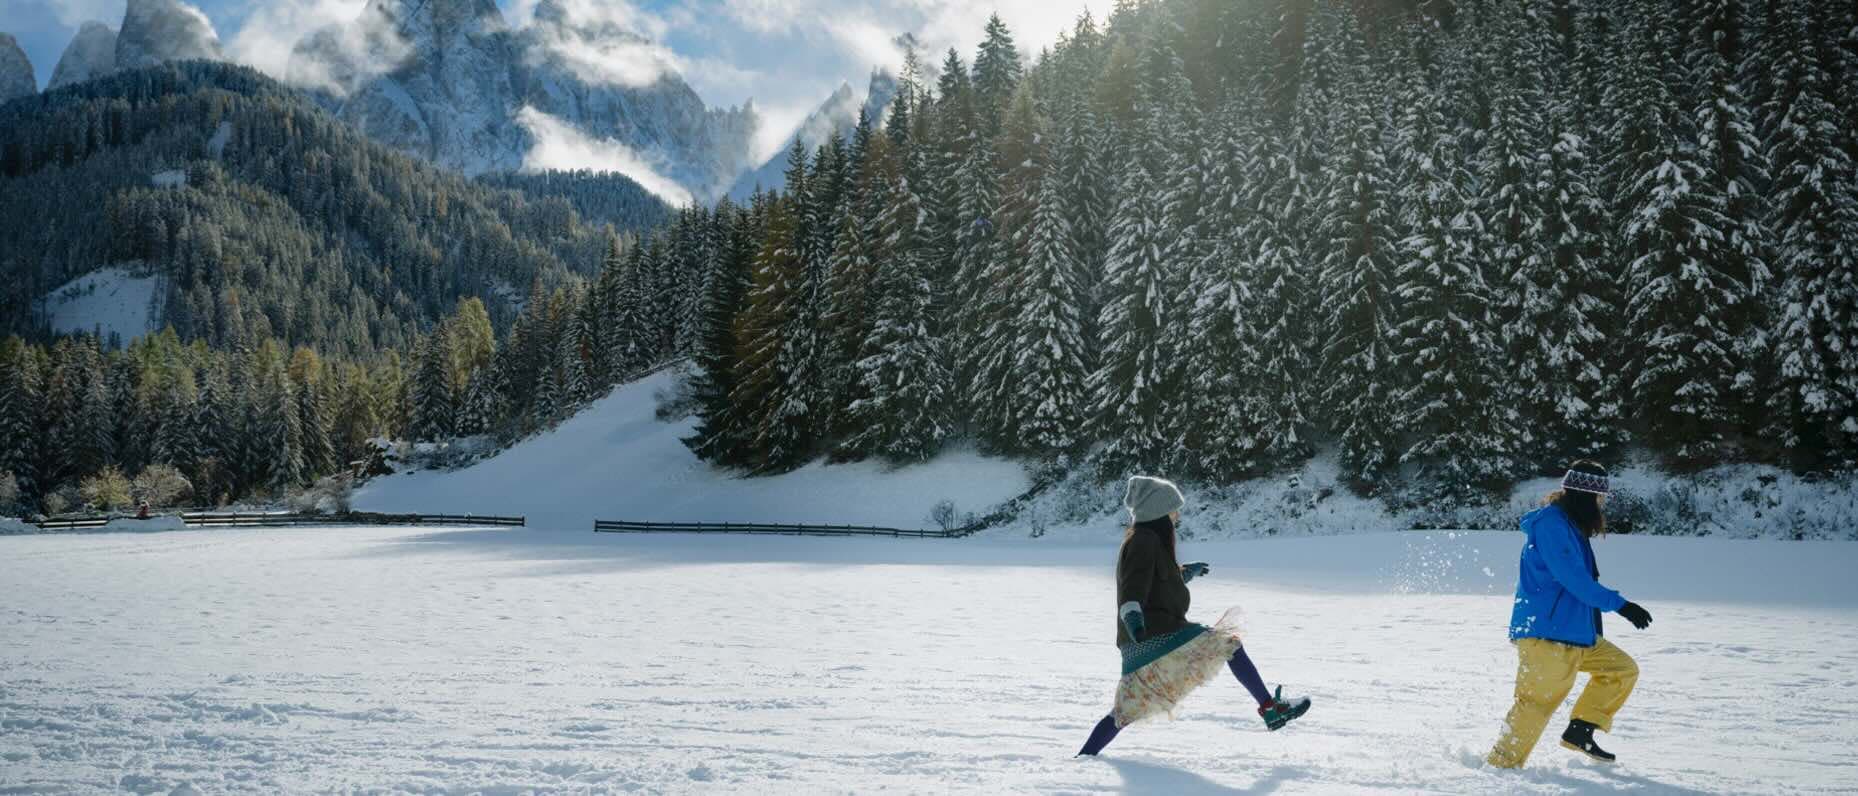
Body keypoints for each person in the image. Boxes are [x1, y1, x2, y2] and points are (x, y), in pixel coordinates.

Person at [1077, 476, 1311, 756]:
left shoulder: (1149, 541)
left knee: (1122, 713)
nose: (1177, 516)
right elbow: (1133, 588)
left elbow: (1159, 582)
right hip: (1155, 637)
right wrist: (1134, 621)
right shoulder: (1143, 541)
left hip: (1145, 644)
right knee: (1229, 645)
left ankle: (1083, 759)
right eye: (1173, 510)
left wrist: (1186, 572)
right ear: (1158, 513)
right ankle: (1271, 709)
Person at [1486, 460, 1654, 768]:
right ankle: (1500, 767)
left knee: (1621, 669)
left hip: (1574, 633)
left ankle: (1580, 730)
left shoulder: (1570, 526)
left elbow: (1580, 583)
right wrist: (1621, 605)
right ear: (1583, 495)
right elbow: (1574, 579)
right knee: (1536, 703)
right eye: (1598, 499)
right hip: (1547, 634)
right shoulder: (1552, 525)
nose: (1600, 505)